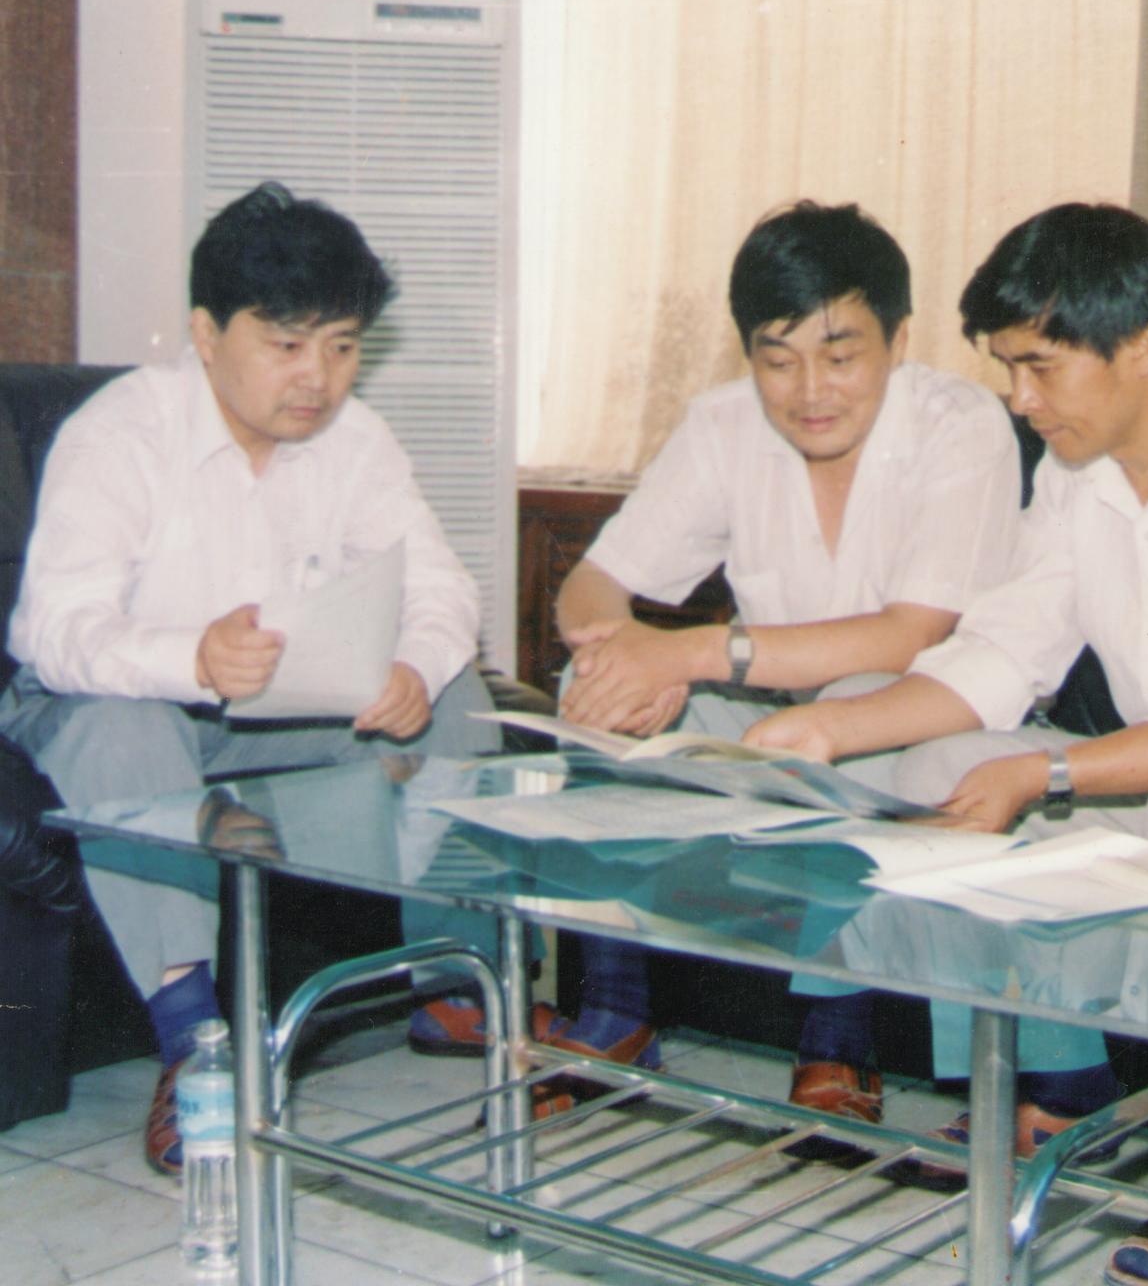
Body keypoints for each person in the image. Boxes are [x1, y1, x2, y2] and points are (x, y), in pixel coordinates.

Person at [748, 202, 1148, 1284]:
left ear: (1138, 345)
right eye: (1008, 368)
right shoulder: (1074, 466)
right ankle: (1063, 1095)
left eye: (1039, 367)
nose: (1020, 398)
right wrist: (828, 725)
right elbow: (1006, 648)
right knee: (931, 768)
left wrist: (1046, 769)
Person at [0, 182, 499, 1175]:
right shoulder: (120, 433)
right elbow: (52, 628)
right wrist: (186, 656)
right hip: (118, 705)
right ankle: (196, 1043)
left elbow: (441, 582)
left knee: (458, 695)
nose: (319, 377)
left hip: (282, 710)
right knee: (127, 721)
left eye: (344, 346)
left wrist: (414, 662)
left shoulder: (358, 440)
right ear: (206, 332)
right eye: (287, 344)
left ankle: (456, 983)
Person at [508, 200, 1023, 1125]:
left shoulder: (960, 424)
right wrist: (620, 658)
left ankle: (836, 1040)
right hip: (770, 716)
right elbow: (591, 586)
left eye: (840, 355)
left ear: (899, 340)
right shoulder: (722, 424)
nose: (809, 390)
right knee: (593, 690)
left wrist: (697, 651)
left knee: (855, 697)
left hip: (917, 718)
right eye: (777, 360)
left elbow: (912, 633)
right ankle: (616, 1009)